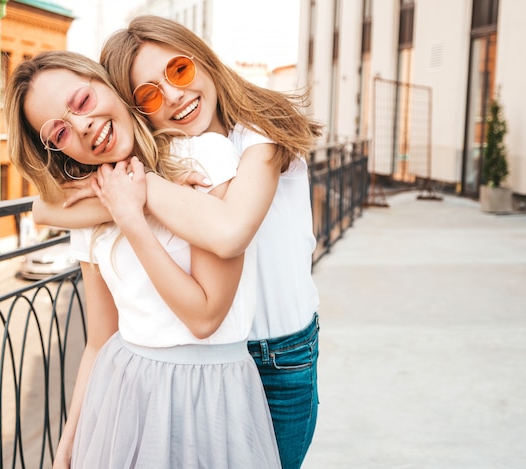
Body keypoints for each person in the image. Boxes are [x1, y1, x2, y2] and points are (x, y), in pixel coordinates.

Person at [33, 15, 322, 469]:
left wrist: (134, 191)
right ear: (136, 109)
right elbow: (52, 209)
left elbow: (228, 232)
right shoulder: (177, 162)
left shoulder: (258, 134)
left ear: (202, 60)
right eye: (148, 95)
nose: (174, 96)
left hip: (279, 354)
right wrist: (87, 198)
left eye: (179, 71)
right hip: (217, 361)